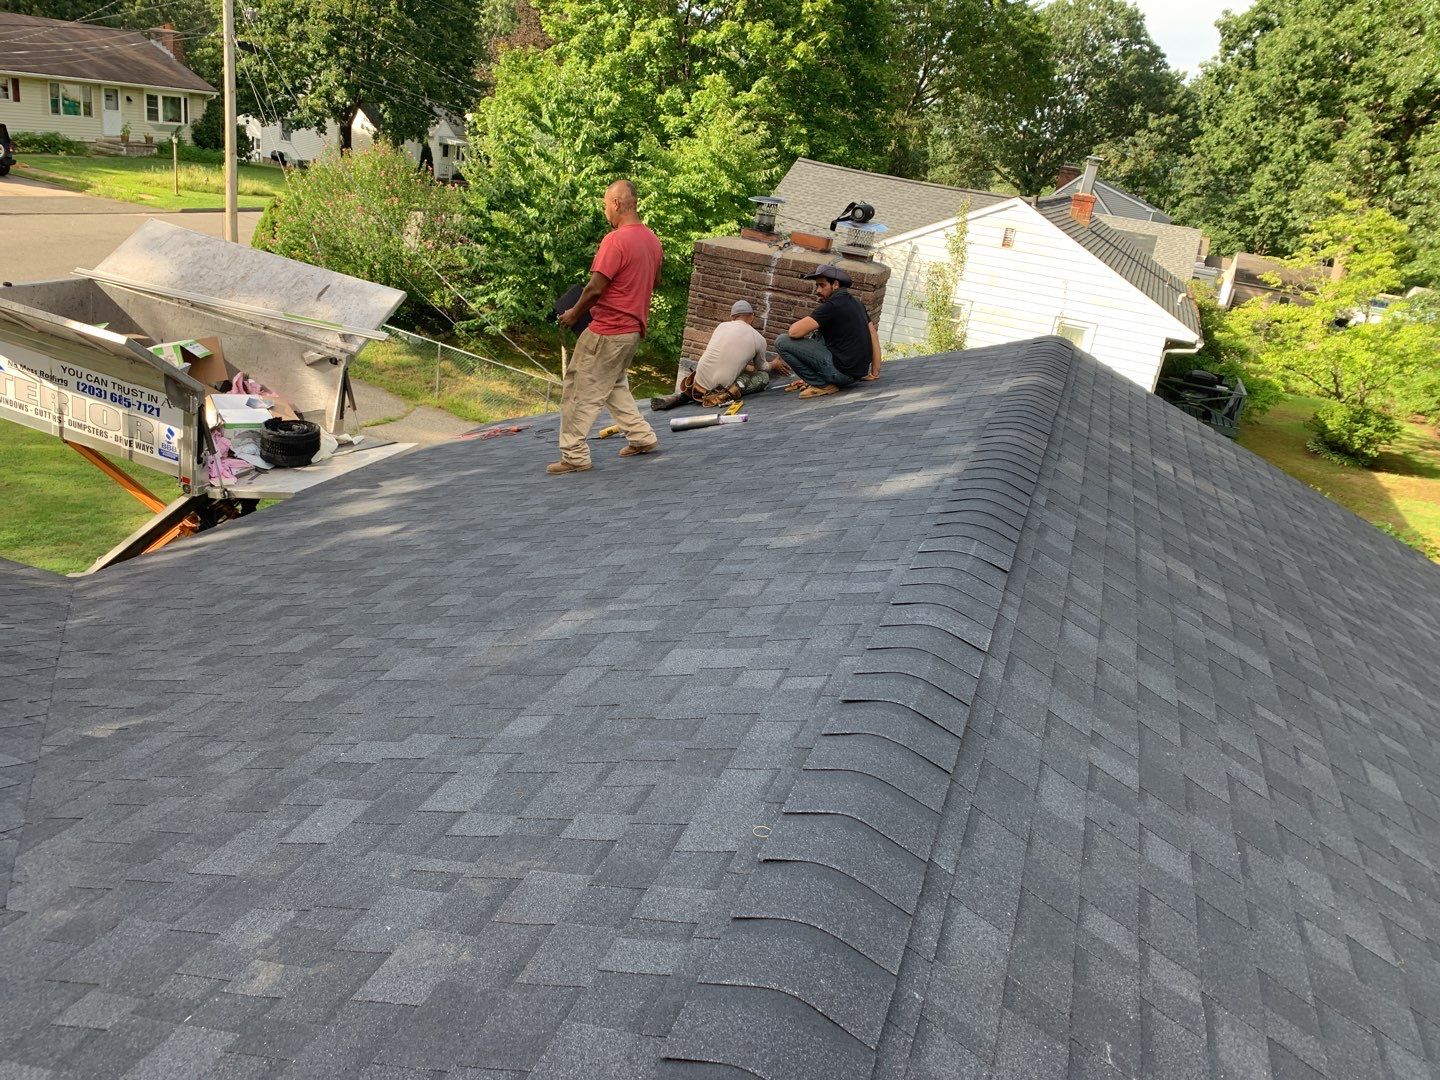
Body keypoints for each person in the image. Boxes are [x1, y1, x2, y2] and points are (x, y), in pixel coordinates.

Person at [550, 179, 663, 475]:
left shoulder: (616, 240)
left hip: (608, 329)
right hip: (632, 331)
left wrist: (574, 313)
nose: (605, 213)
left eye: (605, 206)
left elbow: (595, 288)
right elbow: (655, 281)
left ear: (616, 204)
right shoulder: (652, 240)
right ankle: (642, 438)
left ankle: (574, 455)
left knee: (579, 391)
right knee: (614, 386)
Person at [773, 265, 881, 399]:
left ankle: (821, 384)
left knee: (782, 341)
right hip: (856, 374)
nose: (817, 290)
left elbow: (794, 332)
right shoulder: (857, 303)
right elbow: (873, 335)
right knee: (820, 333)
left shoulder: (832, 306)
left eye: (822, 285)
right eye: (816, 286)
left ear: (835, 284)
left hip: (840, 373)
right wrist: (875, 372)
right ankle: (814, 380)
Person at [651, 300, 775, 411]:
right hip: (718, 392)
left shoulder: (721, 326)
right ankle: (725, 393)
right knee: (763, 377)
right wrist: (774, 365)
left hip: (697, 383)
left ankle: (684, 396)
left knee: (742, 371)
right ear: (752, 316)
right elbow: (762, 367)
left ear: (732, 317)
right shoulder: (758, 339)